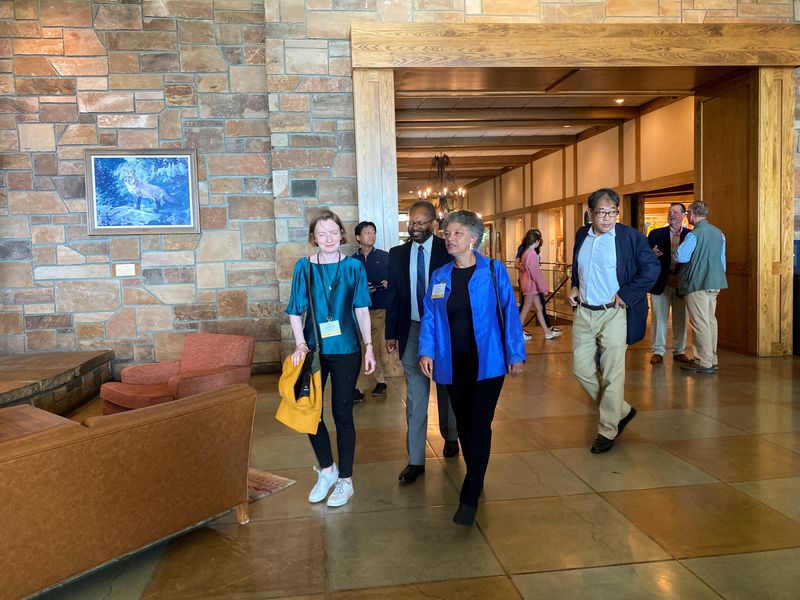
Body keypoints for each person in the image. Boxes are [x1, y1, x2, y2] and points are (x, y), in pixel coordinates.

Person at [418, 210, 526, 526]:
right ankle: (477, 475)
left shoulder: (493, 271)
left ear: (473, 239)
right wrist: (426, 350)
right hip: (453, 363)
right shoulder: (439, 275)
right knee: (464, 425)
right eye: (447, 233)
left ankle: (469, 494)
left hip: (488, 362)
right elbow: (429, 316)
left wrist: (515, 353)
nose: (449, 239)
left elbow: (509, 311)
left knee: (479, 423)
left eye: (456, 234)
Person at [286, 209, 376, 508]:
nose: (328, 238)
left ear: (342, 235)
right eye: (321, 233)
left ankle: (346, 481)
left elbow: (361, 308)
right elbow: (295, 309)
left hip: (347, 349)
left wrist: (370, 346)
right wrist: (300, 343)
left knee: (343, 415)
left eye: (333, 232)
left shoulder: (353, 268)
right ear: (314, 237)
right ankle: (327, 470)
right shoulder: (304, 267)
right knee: (309, 412)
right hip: (313, 350)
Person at [567, 188, 659, 454]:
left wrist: (628, 294)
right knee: (581, 369)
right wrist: (574, 286)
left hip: (614, 312)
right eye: (601, 213)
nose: (607, 218)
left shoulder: (629, 237)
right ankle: (621, 410)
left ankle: (607, 429)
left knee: (612, 373)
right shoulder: (582, 234)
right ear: (590, 214)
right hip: (584, 311)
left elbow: (651, 267)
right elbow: (578, 267)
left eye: (612, 212)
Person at [386, 201, 459, 485]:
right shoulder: (397, 254)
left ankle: (451, 435)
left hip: (445, 331)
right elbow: (393, 296)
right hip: (413, 330)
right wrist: (390, 333)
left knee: (448, 388)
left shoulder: (447, 249)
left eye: (420, 222)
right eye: (410, 222)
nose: (414, 227)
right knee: (416, 396)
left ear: (433, 223)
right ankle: (415, 460)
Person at [675, 200, 727, 374]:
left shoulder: (694, 234)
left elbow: (681, 257)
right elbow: (722, 261)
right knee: (710, 320)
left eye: (687, 213)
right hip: (715, 282)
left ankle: (703, 361)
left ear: (692, 214)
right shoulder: (719, 233)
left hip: (697, 282)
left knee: (699, 322)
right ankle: (712, 358)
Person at [647, 203, 691, 365]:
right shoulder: (655, 234)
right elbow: (645, 257)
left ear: (683, 215)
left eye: (675, 212)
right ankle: (658, 351)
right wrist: (652, 255)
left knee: (681, 317)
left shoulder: (690, 235)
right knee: (659, 317)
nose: (671, 215)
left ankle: (679, 351)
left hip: (681, 282)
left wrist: (678, 277)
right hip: (660, 282)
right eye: (669, 212)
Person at [352, 221, 390, 401]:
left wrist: (387, 283)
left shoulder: (384, 257)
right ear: (358, 237)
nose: (371, 235)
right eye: (367, 232)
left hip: (378, 307)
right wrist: (360, 288)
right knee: (364, 345)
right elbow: (346, 286)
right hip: (359, 310)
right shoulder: (352, 261)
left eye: (373, 232)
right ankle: (381, 380)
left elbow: (393, 279)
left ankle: (359, 387)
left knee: (370, 344)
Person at [518, 228, 563, 341]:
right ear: (537, 241)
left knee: (539, 308)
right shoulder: (531, 253)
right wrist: (543, 288)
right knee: (526, 308)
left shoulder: (526, 252)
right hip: (531, 286)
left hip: (530, 285)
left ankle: (547, 332)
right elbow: (535, 273)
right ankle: (516, 332)